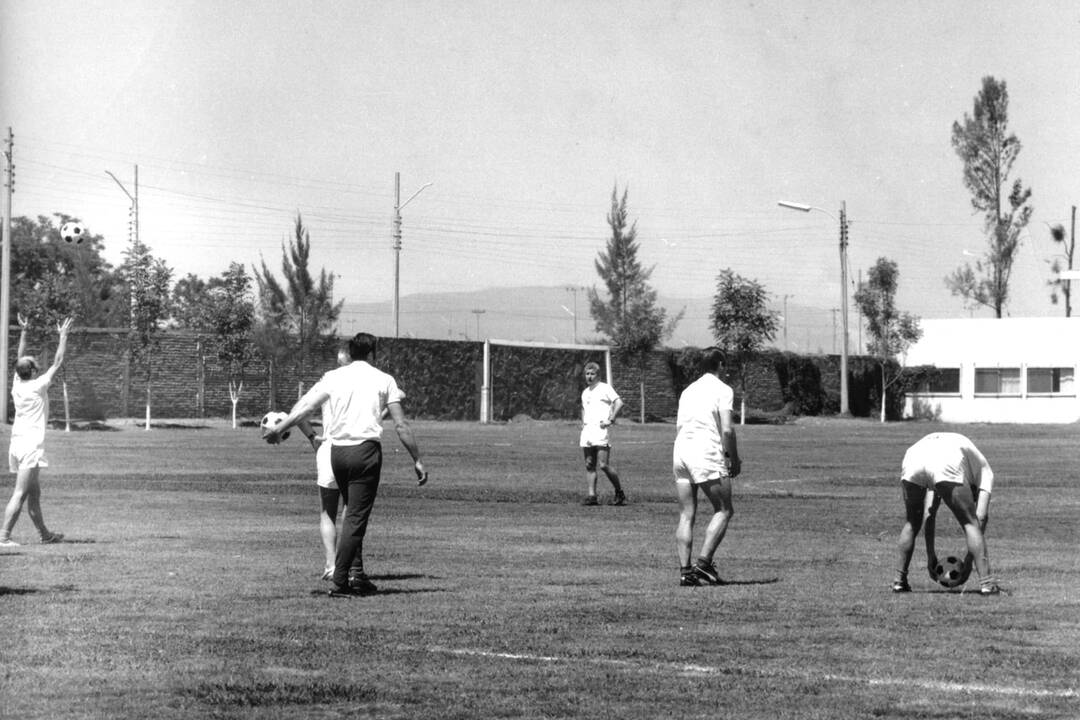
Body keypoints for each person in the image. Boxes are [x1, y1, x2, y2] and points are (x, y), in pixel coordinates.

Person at [264, 332, 427, 598]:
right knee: (354, 517)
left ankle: (356, 575)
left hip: (337, 453)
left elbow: (305, 407)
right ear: (372, 353)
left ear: (350, 353)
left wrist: (279, 428)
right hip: (365, 452)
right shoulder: (384, 379)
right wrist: (417, 459)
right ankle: (341, 581)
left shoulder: (333, 377)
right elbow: (401, 425)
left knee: (349, 513)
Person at [892, 432, 999, 595]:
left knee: (912, 523)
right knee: (971, 523)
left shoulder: (969, 463)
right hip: (948, 459)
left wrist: (931, 556)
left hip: (914, 457)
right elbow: (981, 517)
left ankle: (899, 582)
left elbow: (929, 514)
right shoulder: (986, 473)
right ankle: (987, 584)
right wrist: (968, 564)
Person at [0, 315, 73, 547]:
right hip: (30, 447)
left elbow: (19, 358)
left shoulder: (17, 383)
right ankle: (3, 537)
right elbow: (58, 361)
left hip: (17, 445)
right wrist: (63, 335)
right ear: (31, 371)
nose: (37, 365)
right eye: (34, 364)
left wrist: (24, 331)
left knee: (34, 493)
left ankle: (45, 535)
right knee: (20, 493)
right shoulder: (38, 385)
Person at [672, 347, 740, 587]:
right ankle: (703, 564)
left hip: (681, 452)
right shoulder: (723, 389)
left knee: (686, 514)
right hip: (705, 452)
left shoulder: (688, 390)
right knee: (724, 510)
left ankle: (686, 572)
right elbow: (727, 429)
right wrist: (733, 458)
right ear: (720, 364)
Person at [578, 361, 626, 506]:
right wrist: (583, 422)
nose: (589, 376)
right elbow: (584, 408)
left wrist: (611, 419)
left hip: (600, 431)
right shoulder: (585, 392)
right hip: (588, 432)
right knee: (589, 465)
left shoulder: (605, 388)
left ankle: (619, 492)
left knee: (603, 464)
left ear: (598, 375)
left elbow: (619, 402)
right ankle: (592, 496)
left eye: (592, 374)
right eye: (587, 373)